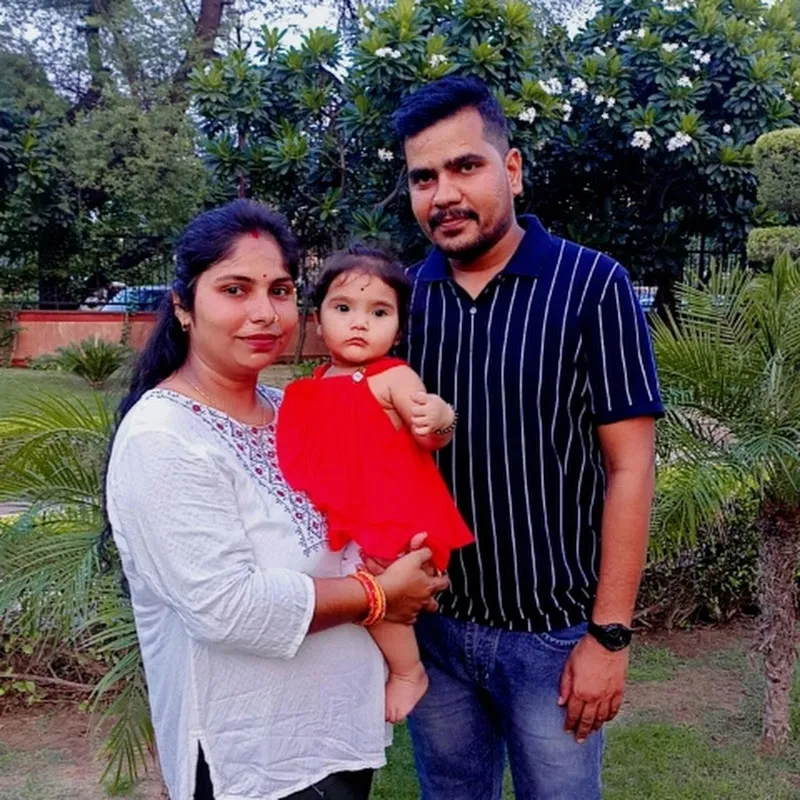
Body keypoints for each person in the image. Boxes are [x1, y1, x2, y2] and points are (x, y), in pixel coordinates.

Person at [104, 200, 448, 800]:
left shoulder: (293, 409)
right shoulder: (164, 437)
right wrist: (381, 594)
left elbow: (379, 484)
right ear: (183, 306)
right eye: (235, 289)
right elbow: (227, 608)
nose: (264, 313)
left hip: (336, 734)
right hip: (253, 759)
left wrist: (409, 559)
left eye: (280, 290)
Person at [389, 76, 664, 799]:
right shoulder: (403, 303)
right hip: (436, 633)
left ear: (510, 169)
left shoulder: (592, 285)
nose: (444, 193)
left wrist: (609, 636)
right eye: (423, 177)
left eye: (465, 166)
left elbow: (631, 468)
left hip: (553, 640)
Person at [276, 245, 474, 725]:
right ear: (318, 320)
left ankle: (408, 671)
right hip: (351, 513)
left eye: (379, 312)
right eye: (344, 308)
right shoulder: (315, 382)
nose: (360, 323)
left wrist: (441, 417)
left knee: (376, 588)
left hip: (396, 517)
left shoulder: (393, 377)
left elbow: (430, 435)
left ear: (398, 329)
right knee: (356, 585)